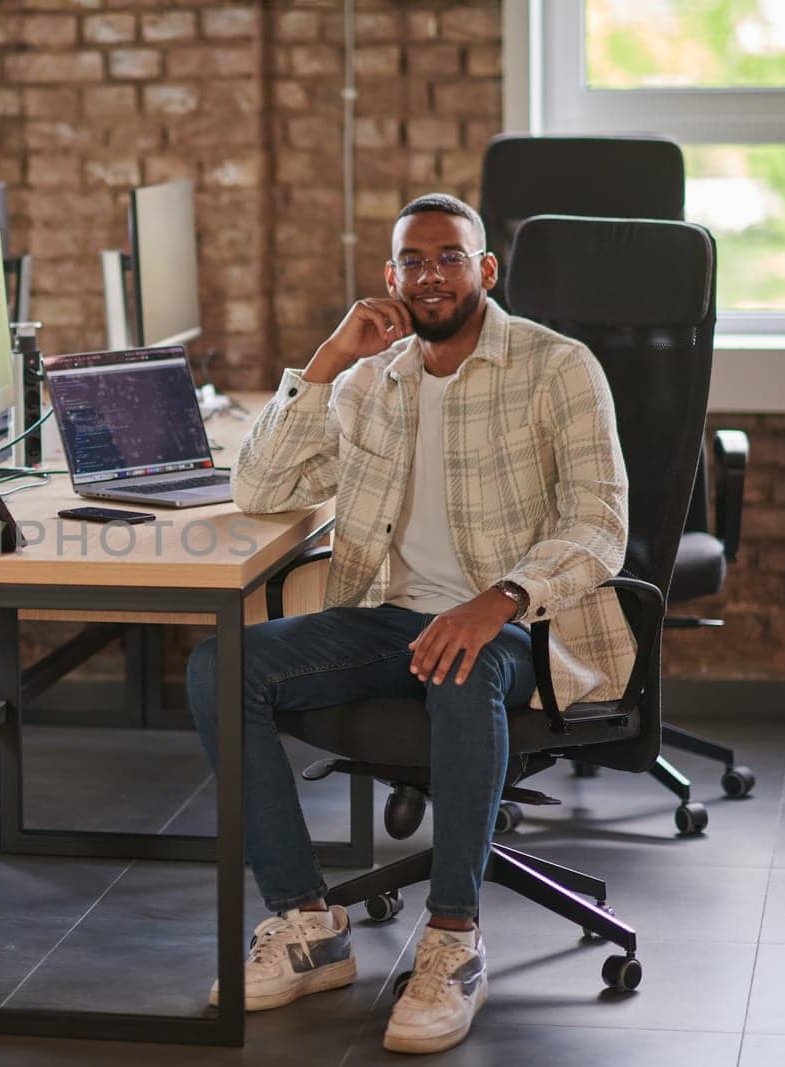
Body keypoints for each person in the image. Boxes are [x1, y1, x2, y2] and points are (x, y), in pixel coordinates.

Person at [187, 194, 632, 1055]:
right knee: (220, 664)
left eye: (449, 257)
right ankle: (309, 924)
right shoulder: (370, 382)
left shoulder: (557, 367)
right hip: (388, 622)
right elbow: (260, 491)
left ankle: (453, 941)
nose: (431, 276)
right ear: (390, 278)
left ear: (484, 269)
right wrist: (324, 361)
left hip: (522, 626)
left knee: (461, 661)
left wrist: (499, 596)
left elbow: (599, 524)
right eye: (413, 262)